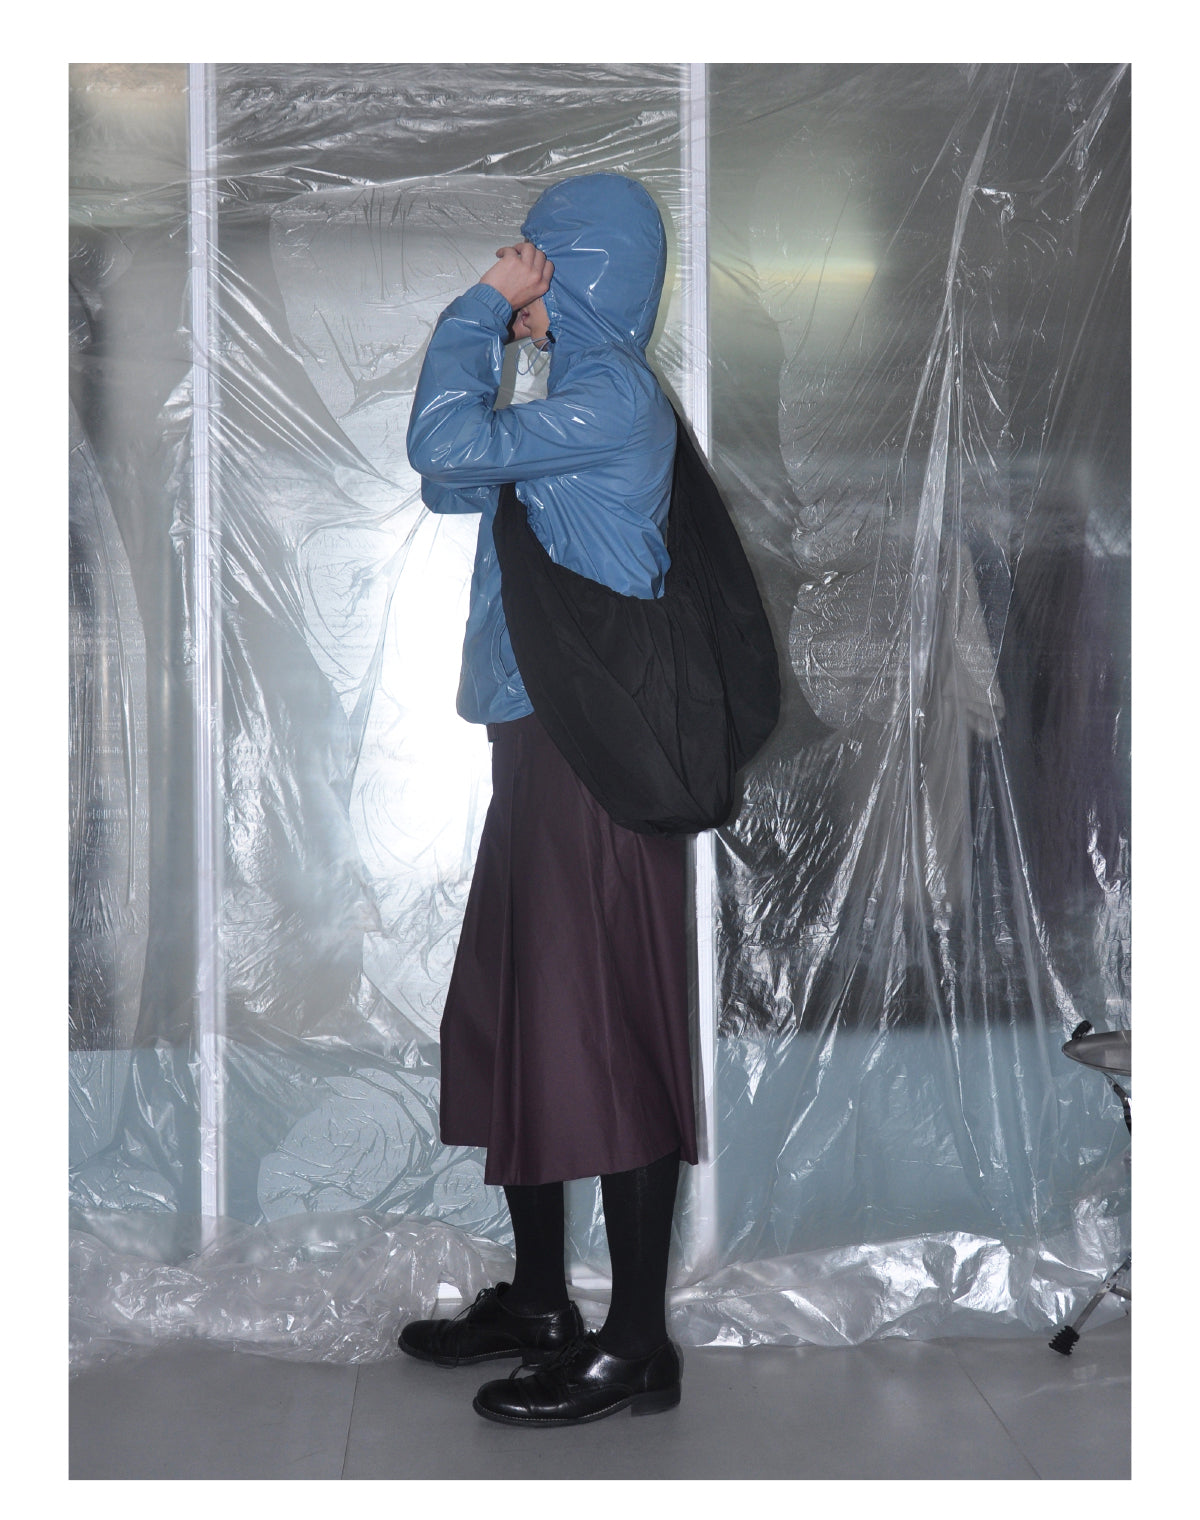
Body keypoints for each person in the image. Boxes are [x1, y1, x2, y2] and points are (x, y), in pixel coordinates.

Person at [400, 173, 697, 1427]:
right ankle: (539, 1300)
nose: (515, 265)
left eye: (536, 256)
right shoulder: (569, 395)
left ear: (581, 270)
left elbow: (439, 447)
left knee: (606, 1033)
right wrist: (514, 344)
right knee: (524, 1016)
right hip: (539, 748)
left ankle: (635, 1344)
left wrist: (480, 309)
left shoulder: (613, 395)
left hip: (588, 763)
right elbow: (456, 483)